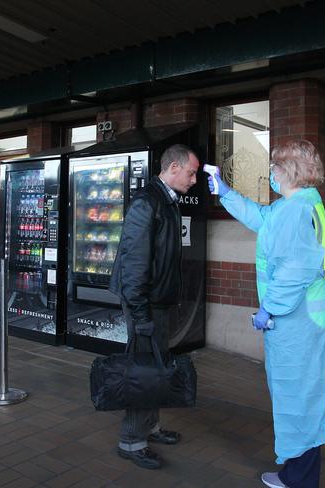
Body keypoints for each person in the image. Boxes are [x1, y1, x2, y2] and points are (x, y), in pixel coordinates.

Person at [209, 140, 325, 487]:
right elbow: (263, 218)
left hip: (297, 319)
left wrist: (268, 308)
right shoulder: (303, 204)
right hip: (317, 315)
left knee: (298, 395)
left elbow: (292, 270)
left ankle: (299, 477)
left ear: (288, 169)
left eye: (274, 167)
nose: (270, 173)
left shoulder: (295, 210)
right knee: (322, 385)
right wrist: (226, 193)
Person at [109, 144, 199, 470]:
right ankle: (131, 441)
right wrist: (141, 314)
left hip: (157, 301)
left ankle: (152, 427)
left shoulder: (166, 201)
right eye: (191, 173)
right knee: (144, 371)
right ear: (173, 168)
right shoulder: (147, 203)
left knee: (156, 366)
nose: (194, 180)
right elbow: (134, 265)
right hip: (144, 303)